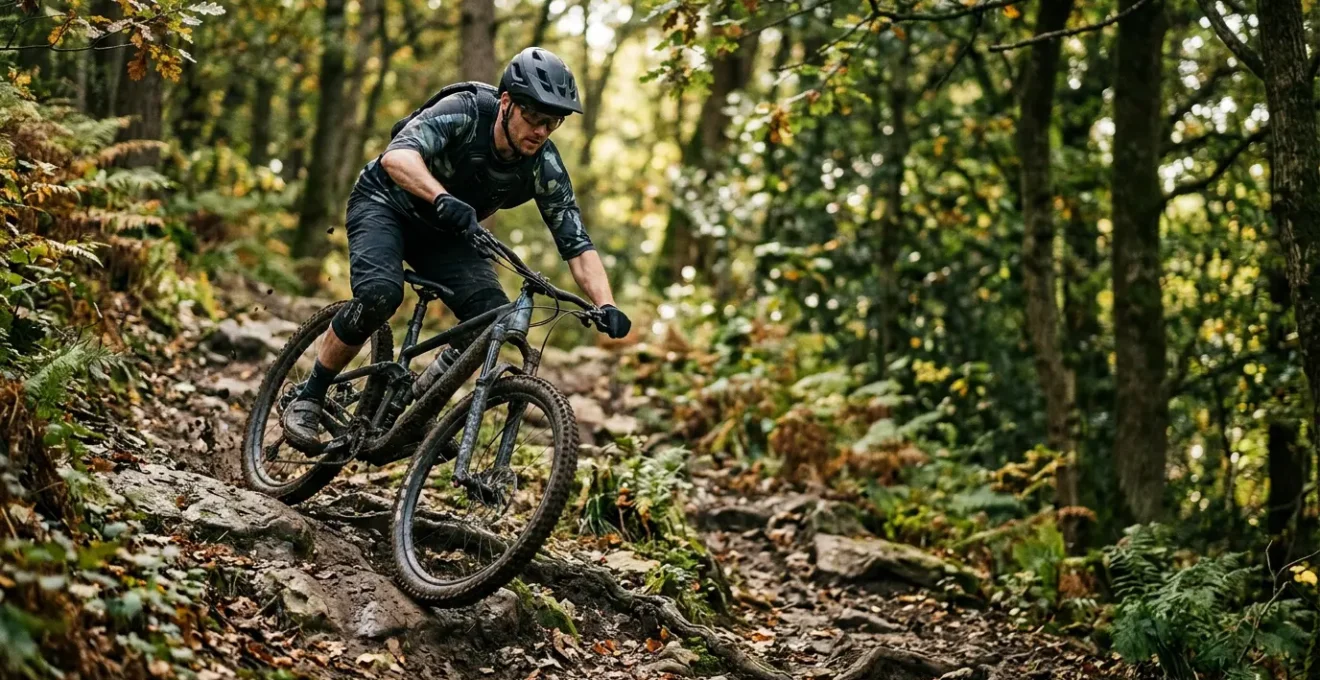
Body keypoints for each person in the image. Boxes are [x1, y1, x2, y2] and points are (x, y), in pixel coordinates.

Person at [281, 47, 631, 448]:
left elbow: (576, 243)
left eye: (552, 123)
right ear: (506, 103)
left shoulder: (543, 166)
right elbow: (398, 156)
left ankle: (413, 409)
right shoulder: (465, 111)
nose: (540, 130)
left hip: (446, 232)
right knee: (379, 295)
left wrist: (606, 304)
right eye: (533, 116)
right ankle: (310, 394)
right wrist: (440, 196)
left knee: (490, 320)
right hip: (385, 203)